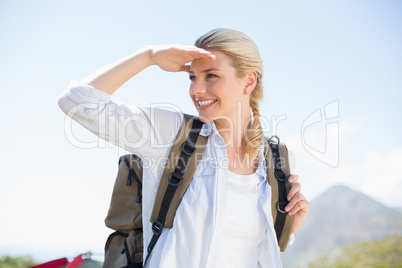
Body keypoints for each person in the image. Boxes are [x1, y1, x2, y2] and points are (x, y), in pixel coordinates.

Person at [58, 28, 309, 268]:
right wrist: (148, 56)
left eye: (211, 75)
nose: (196, 90)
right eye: (192, 77)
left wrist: (287, 228)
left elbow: (249, 252)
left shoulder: (279, 160)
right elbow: (78, 103)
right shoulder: (172, 134)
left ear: (249, 81)